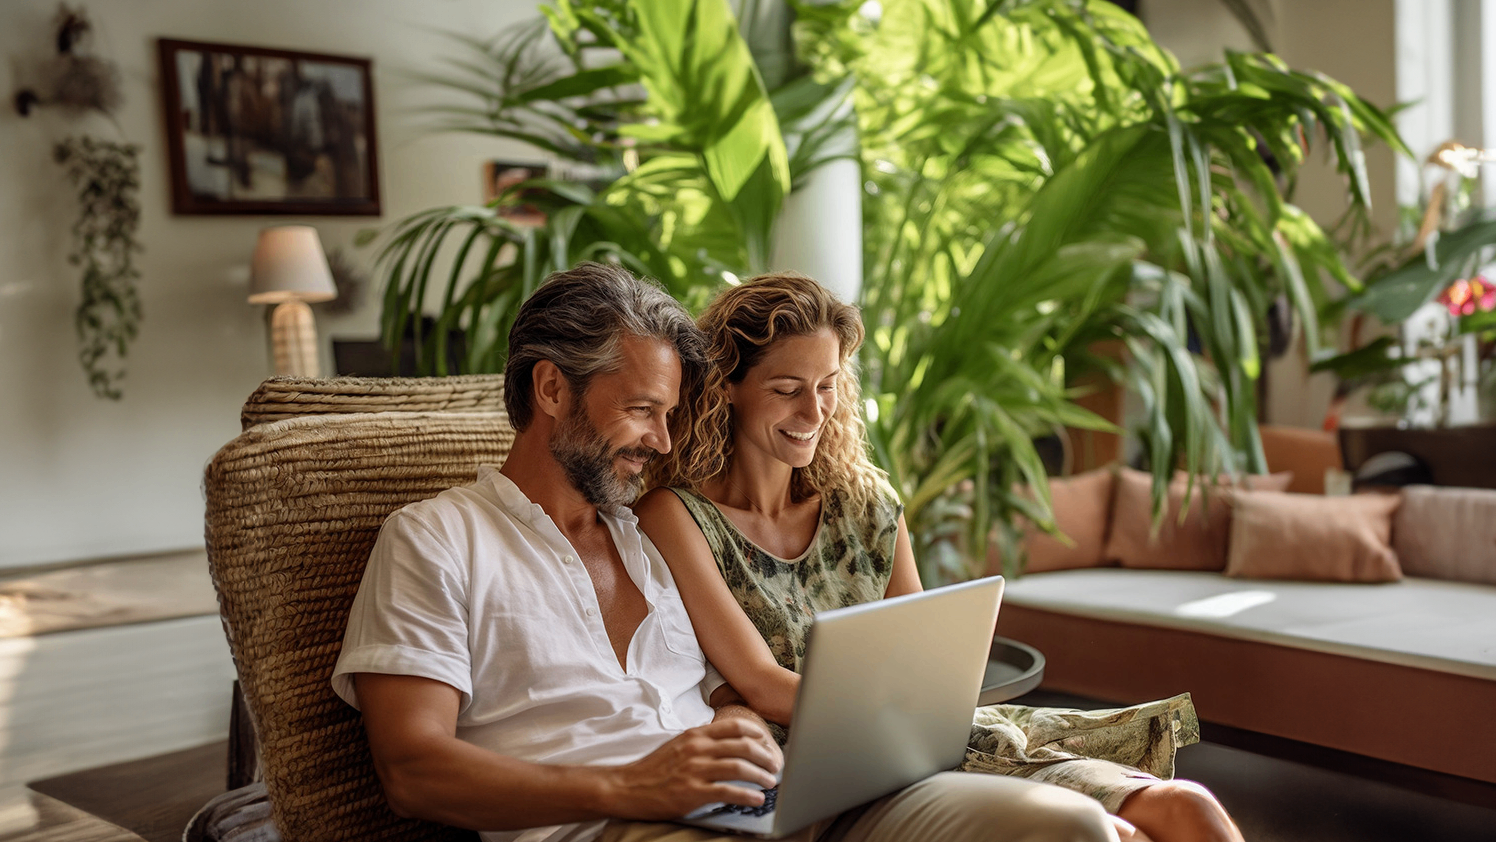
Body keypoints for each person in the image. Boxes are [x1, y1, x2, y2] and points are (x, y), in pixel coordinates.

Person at [332, 263, 1126, 842]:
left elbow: (728, 694)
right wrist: (635, 786)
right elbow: (412, 771)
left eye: (672, 413)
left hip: (771, 803)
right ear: (550, 389)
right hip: (612, 824)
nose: (664, 442)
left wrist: (743, 732)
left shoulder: (648, 543)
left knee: (1063, 827)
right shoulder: (436, 540)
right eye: (642, 410)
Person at [637, 273, 1246, 842]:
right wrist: (901, 719)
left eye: (827, 386)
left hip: (921, 735)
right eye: (787, 390)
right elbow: (761, 684)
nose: (814, 412)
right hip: (830, 765)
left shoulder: (866, 504)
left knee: (1189, 807)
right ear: (726, 388)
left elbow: (919, 648)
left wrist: (922, 715)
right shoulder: (678, 516)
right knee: (1117, 833)